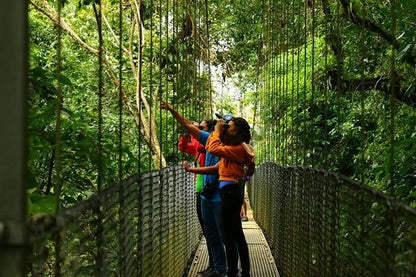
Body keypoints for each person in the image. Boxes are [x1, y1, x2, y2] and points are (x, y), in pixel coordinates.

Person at [161, 100, 226, 277]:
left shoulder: (228, 146)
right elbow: (188, 128)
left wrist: (192, 169)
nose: (219, 124)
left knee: (223, 236)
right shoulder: (209, 139)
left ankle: (225, 270)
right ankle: (217, 268)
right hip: (206, 194)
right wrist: (172, 109)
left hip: (220, 195)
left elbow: (216, 168)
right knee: (211, 234)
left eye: (223, 123)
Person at [206, 116, 255, 277]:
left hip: (230, 193)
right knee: (237, 233)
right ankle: (243, 272)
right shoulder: (239, 147)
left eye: (230, 126)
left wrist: (217, 129)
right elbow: (210, 146)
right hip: (232, 191)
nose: (227, 127)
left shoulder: (237, 149)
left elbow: (213, 149)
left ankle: (233, 272)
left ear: (238, 131)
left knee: (228, 234)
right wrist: (246, 177)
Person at [178, 120, 217, 273]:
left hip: (207, 189)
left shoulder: (208, 142)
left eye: (201, 128)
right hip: (201, 188)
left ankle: (217, 265)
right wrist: (187, 133)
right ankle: (214, 264)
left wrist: (193, 131)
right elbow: (182, 147)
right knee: (207, 230)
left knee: (211, 231)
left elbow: (200, 146)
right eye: (198, 128)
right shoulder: (199, 144)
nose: (198, 129)